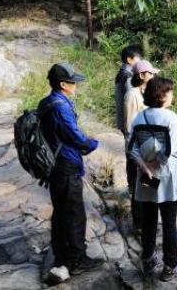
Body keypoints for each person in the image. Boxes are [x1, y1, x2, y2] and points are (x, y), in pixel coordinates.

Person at [39, 62, 103, 279]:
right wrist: (92, 143)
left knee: (60, 213)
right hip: (66, 166)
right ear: (63, 84)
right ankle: (76, 260)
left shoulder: (46, 102)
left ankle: (62, 256)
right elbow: (74, 135)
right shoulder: (60, 106)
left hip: (53, 166)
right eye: (72, 81)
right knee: (74, 214)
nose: (76, 84)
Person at [128, 76, 177, 281]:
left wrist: (146, 168)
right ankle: (170, 266)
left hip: (146, 176)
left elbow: (132, 149)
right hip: (167, 175)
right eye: (170, 92)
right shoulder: (171, 117)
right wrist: (155, 166)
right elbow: (169, 150)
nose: (172, 95)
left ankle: (148, 260)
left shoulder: (139, 118)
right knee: (169, 222)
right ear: (161, 95)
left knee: (149, 219)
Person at [123, 60, 159, 231]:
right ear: (142, 75)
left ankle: (149, 221)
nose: (153, 76)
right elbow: (129, 126)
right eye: (150, 73)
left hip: (148, 149)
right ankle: (139, 223)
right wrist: (134, 152)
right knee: (138, 186)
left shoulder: (146, 93)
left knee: (150, 184)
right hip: (137, 149)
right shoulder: (132, 95)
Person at [115, 45, 142, 133]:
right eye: (138, 57)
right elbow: (131, 100)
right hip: (129, 119)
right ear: (129, 60)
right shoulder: (127, 75)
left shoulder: (124, 73)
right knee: (131, 143)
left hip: (125, 118)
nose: (140, 60)